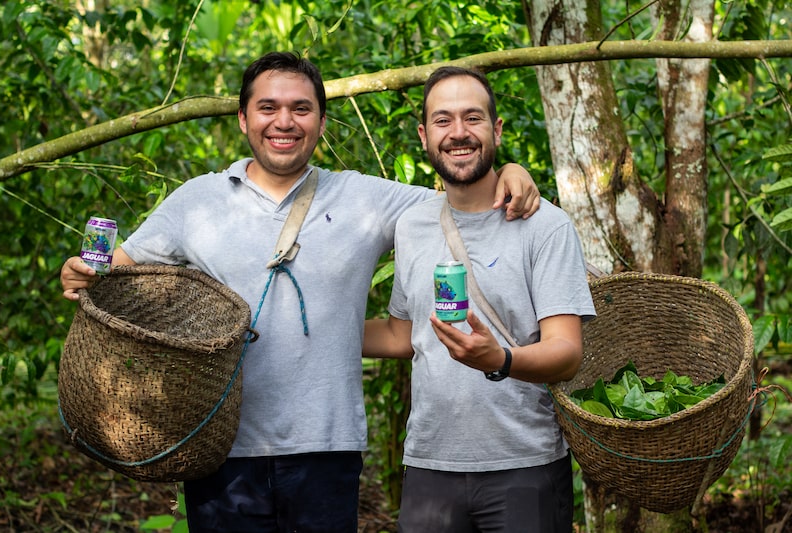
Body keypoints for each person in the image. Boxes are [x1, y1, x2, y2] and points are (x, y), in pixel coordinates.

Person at [60, 52, 541, 532]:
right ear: (244, 118)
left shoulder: (364, 197)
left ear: (321, 122)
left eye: (301, 109)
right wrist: (82, 273)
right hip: (219, 447)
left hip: (326, 451)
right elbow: (112, 280)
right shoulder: (196, 201)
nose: (284, 122)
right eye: (268, 108)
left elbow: (465, 200)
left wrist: (512, 170)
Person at [363, 66, 597, 532]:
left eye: (473, 118)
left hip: (525, 466)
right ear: (424, 136)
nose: (458, 133)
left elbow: (567, 352)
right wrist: (309, 329)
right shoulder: (412, 226)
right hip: (430, 464)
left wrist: (501, 358)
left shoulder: (545, 226)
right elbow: (403, 334)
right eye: (443, 120)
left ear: (496, 129)